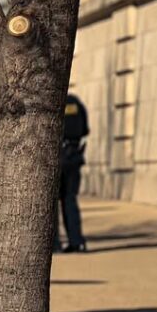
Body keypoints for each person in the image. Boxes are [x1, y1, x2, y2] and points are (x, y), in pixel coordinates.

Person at [58, 93, 89, 252]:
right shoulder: (76, 102)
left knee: (50, 204)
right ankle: (77, 241)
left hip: (57, 157)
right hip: (74, 156)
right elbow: (85, 130)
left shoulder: (53, 101)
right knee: (70, 200)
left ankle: (54, 244)